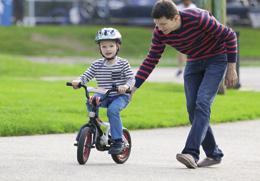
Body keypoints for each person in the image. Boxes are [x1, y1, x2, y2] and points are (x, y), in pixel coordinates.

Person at [131, 0, 238, 168]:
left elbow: (229, 35)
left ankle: (191, 152)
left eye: (163, 24)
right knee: (192, 108)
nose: (160, 28)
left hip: (216, 59)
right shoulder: (160, 33)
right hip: (194, 61)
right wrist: (134, 87)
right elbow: (151, 60)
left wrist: (231, 68)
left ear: (175, 18)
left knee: (202, 103)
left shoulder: (198, 18)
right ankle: (213, 153)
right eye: (157, 24)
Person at [71, 27, 135, 155]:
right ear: (99, 48)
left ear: (118, 46)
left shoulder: (123, 63)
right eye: (104, 46)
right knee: (91, 100)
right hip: (104, 94)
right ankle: (95, 125)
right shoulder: (97, 64)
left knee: (112, 110)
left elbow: (131, 78)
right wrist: (78, 81)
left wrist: (126, 87)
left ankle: (118, 141)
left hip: (120, 96)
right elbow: (86, 76)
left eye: (111, 46)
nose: (108, 49)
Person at [175, 0, 197, 77]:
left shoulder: (193, 7)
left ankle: (190, 69)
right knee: (181, 52)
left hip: (191, 33)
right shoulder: (178, 8)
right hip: (181, 33)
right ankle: (181, 69)